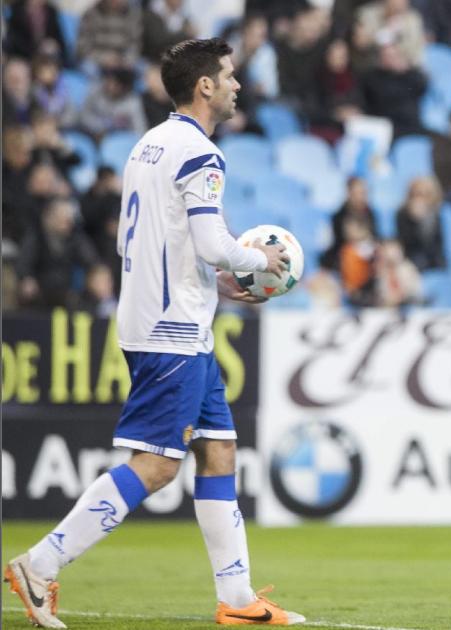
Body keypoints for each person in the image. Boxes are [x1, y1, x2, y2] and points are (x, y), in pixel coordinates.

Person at [3, 38, 302, 629]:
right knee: (159, 465)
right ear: (206, 87)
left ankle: (238, 601)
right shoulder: (200, 153)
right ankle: (39, 566)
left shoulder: (148, 145)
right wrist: (267, 263)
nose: (239, 84)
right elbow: (216, 245)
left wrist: (210, 287)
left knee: (218, 451)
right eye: (230, 75)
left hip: (169, 318)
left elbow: (142, 242)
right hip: (172, 331)